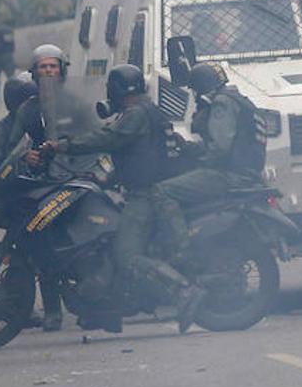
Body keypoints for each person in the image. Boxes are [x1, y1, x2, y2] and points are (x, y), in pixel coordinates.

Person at [43, 64, 205, 334]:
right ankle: (105, 311)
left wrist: (61, 146)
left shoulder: (135, 115)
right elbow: (139, 153)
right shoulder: (149, 110)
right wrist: (105, 178)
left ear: (116, 90)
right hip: (151, 187)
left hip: (146, 195)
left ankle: (184, 290)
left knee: (126, 256)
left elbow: (108, 138)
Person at [152, 63, 266, 261]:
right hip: (246, 173)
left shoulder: (222, 102)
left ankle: (181, 248)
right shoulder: (241, 101)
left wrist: (201, 162)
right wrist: (188, 148)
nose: (195, 97)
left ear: (202, 88)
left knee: (161, 191)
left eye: (195, 90)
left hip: (229, 175)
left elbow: (220, 148)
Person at [0, 72, 66, 332]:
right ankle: (27, 309)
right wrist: (18, 165)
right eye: (27, 101)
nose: (32, 105)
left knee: (51, 250)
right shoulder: (1, 132)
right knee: (29, 255)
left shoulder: (42, 126)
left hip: (44, 198)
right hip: (17, 202)